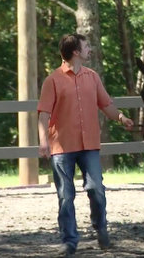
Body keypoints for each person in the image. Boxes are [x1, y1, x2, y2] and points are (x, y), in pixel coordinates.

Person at [37, 33, 134, 257]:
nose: (90, 49)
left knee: (96, 190)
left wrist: (121, 118)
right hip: (62, 148)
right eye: (86, 46)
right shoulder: (53, 80)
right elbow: (43, 113)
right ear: (76, 52)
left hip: (89, 144)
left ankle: (101, 228)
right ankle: (69, 241)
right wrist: (43, 142)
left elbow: (106, 104)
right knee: (66, 195)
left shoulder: (92, 77)